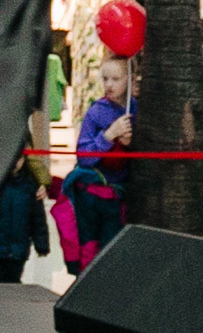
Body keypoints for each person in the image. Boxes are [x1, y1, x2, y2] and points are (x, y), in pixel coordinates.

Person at [66, 56, 134, 265]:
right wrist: (108, 136)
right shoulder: (96, 111)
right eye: (105, 79)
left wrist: (130, 143)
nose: (109, 85)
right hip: (91, 196)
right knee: (89, 248)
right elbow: (84, 156)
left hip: (120, 196)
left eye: (116, 79)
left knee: (113, 250)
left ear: (129, 80)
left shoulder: (136, 109)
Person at [0, 154, 49, 283]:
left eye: (18, 158)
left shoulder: (29, 186)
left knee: (13, 280)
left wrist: (42, 244)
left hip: (17, 248)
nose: (15, 162)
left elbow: (37, 218)